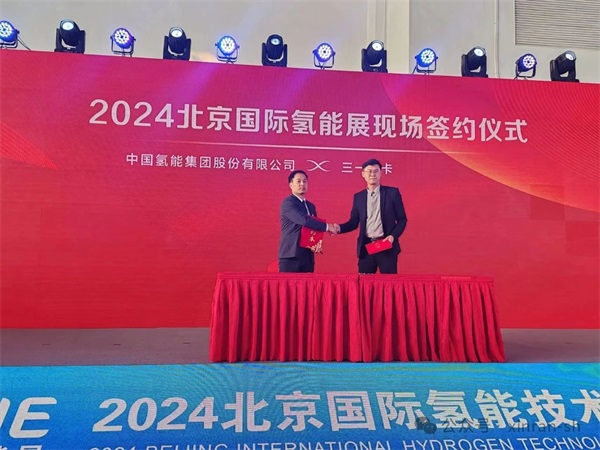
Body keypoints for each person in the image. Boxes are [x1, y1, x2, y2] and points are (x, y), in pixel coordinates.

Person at [336, 158, 407, 274]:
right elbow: (353, 222)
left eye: (376, 171)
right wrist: (339, 228)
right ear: (363, 174)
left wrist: (392, 236)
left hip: (386, 245)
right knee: (365, 283)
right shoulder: (358, 197)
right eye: (369, 171)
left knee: (388, 283)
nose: (372, 174)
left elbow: (402, 220)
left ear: (381, 173)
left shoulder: (392, 193)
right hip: (366, 248)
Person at [278, 170, 335, 273]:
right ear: (291, 185)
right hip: (291, 255)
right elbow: (303, 220)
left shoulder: (311, 206)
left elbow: (314, 228)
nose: (302, 184)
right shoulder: (288, 203)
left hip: (308, 256)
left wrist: (316, 243)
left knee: (307, 284)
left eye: (304, 181)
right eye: (298, 181)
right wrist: (328, 227)